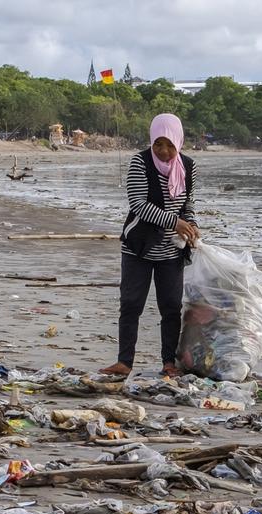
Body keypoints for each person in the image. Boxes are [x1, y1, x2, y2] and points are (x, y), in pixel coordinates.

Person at [101, 113, 199, 377]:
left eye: (169, 145)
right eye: (158, 144)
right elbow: (139, 205)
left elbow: (188, 203)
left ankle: (169, 362)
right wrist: (174, 221)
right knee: (131, 304)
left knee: (171, 307)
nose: (164, 151)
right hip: (138, 247)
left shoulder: (188, 166)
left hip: (171, 250)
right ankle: (124, 362)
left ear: (179, 142)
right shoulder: (139, 163)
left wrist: (191, 224)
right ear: (151, 141)